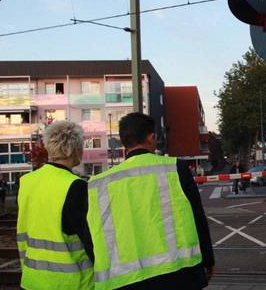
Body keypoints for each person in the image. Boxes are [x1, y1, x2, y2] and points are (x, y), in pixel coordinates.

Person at [86, 113, 215, 289]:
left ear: (124, 141)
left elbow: (92, 236)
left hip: (124, 280)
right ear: (151, 137)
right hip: (178, 275)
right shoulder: (175, 168)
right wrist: (208, 260)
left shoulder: (98, 184)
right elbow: (198, 217)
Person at [16, 120, 94, 289]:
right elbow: (90, 240)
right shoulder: (76, 186)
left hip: (32, 280)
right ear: (73, 150)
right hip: (71, 283)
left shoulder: (27, 182)